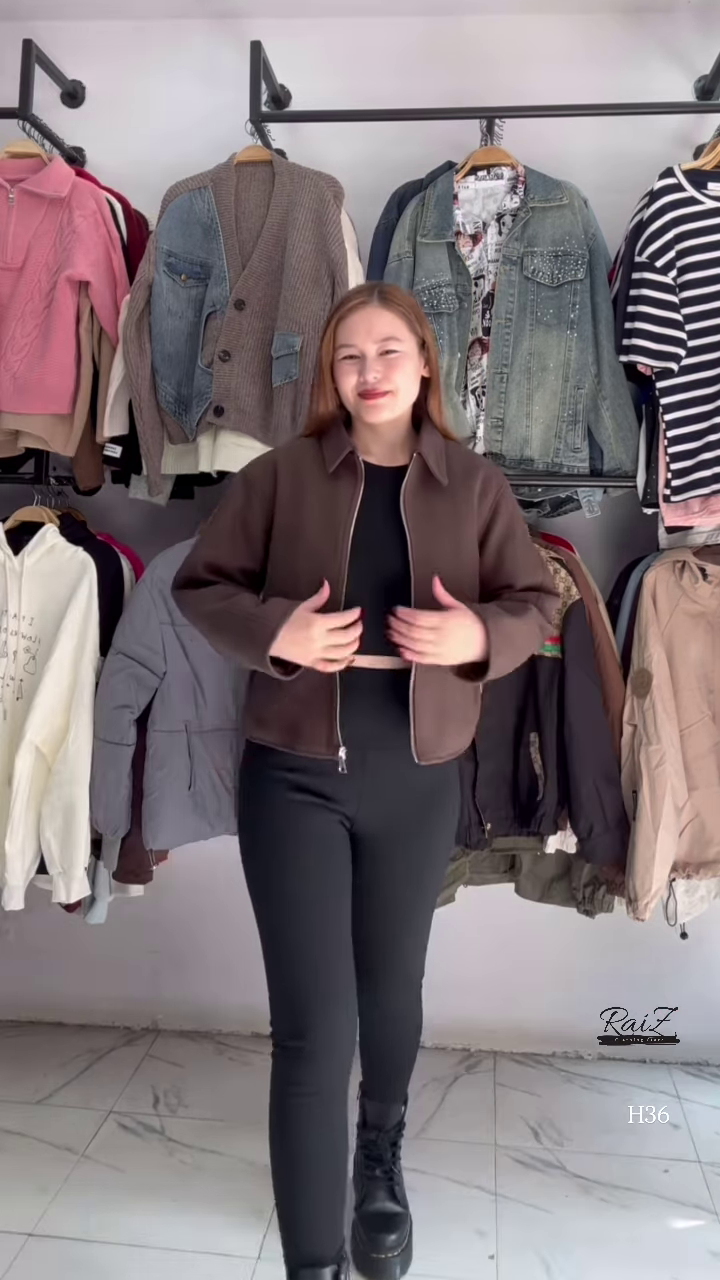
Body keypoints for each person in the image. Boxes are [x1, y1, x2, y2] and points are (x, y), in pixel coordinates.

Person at [173, 283, 558, 1280]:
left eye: (390, 351)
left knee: (391, 996)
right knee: (314, 1026)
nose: (371, 371)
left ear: (426, 362)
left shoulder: (474, 484)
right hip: (293, 777)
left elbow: (536, 602)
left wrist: (476, 635)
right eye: (350, 355)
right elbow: (199, 586)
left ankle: (378, 1156)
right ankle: (312, 1263)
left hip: (417, 778)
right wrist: (281, 632)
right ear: (330, 374)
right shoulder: (280, 477)